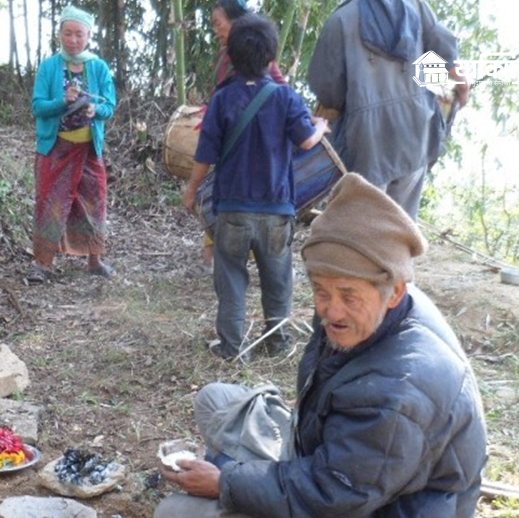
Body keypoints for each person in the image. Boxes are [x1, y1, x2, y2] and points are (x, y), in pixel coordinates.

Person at [156, 173, 488, 518]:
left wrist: (227, 482)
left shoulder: (399, 390)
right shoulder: (372, 295)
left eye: (348, 296)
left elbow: (332, 497)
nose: (331, 311)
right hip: (346, 461)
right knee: (215, 399)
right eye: (320, 291)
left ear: (395, 292)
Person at [182, 15, 327, 361]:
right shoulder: (285, 98)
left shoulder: (222, 99)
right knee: (277, 278)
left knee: (231, 277)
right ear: (270, 57)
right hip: (276, 210)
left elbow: (205, 154)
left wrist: (191, 191)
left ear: (230, 55)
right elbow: (307, 140)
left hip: (232, 208)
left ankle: (233, 347)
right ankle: (277, 341)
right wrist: (320, 125)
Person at [308, 0, 469, 220]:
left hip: (367, 143)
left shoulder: (340, 21)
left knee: (359, 228)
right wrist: (456, 85)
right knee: (400, 227)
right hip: (417, 133)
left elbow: (329, 93)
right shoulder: (416, 5)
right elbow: (445, 52)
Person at [28, 5, 117, 283]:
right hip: (56, 148)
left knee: (95, 201)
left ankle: (95, 260)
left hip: (89, 150)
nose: (73, 40)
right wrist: (62, 102)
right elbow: (37, 107)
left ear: (89, 35)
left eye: (79, 34)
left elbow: (110, 105)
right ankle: (43, 263)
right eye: (68, 33)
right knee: (50, 201)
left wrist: (95, 111)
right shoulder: (50, 66)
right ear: (60, 34)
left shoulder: (99, 67)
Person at [199, 0, 288, 274]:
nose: (216, 30)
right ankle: (217, 257)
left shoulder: (252, 55)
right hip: (234, 141)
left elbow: (278, 85)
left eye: (218, 23)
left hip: (245, 144)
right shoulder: (227, 53)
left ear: (236, 20)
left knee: (225, 197)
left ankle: (226, 260)